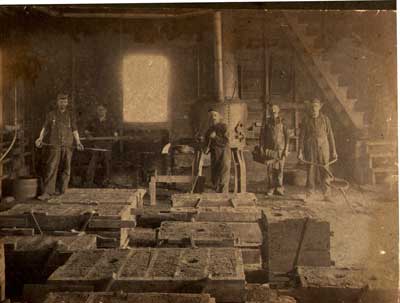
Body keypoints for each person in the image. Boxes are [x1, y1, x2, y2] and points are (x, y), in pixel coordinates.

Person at [35, 94, 84, 200]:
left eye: (65, 101)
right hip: (55, 144)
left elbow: (74, 129)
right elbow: (45, 128)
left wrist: (78, 142)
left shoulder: (70, 115)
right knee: (52, 167)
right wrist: (40, 139)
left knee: (66, 168)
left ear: (67, 103)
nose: (63, 103)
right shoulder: (51, 114)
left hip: (68, 145)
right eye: (61, 101)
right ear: (57, 102)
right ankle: (48, 192)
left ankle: (63, 191)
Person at [298, 98, 337, 199]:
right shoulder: (306, 119)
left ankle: (327, 194)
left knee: (325, 168)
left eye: (316, 107)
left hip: (324, 147)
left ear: (319, 108)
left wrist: (334, 151)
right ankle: (310, 193)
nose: (314, 109)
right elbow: (301, 136)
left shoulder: (325, 119)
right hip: (310, 147)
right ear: (310, 109)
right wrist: (300, 151)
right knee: (311, 169)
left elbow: (330, 135)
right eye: (312, 107)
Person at [84, 105, 118, 187]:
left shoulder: (110, 121)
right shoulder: (93, 121)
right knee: (92, 164)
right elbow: (86, 131)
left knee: (107, 164)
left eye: (102, 110)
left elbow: (115, 132)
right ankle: (89, 183)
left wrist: (115, 137)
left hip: (107, 146)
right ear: (97, 111)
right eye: (99, 110)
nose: (100, 111)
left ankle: (107, 182)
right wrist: (89, 136)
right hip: (96, 145)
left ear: (105, 111)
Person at [260, 104, 289, 196]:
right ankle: (271, 188)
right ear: (270, 110)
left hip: (280, 149)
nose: (273, 110)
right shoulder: (266, 122)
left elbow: (287, 136)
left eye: (275, 108)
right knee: (270, 170)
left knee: (280, 169)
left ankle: (279, 188)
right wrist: (261, 147)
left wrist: (286, 148)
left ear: (278, 110)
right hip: (269, 149)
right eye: (272, 109)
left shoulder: (283, 121)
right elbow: (262, 136)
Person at [204, 108, 231, 193]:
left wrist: (215, 137)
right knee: (215, 171)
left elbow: (226, 141)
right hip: (214, 152)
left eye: (215, 115)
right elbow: (207, 142)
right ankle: (216, 189)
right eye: (211, 116)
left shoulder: (224, 127)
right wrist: (205, 148)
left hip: (224, 152)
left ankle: (223, 192)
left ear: (219, 117)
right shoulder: (209, 130)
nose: (213, 117)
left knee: (224, 170)